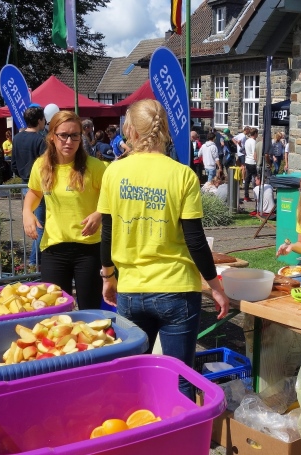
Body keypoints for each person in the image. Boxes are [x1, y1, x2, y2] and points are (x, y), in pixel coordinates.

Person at [98, 99, 229, 397]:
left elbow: (107, 232)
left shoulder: (113, 172)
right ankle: (182, 427)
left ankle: (138, 423)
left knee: (135, 376)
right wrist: (215, 287)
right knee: (180, 377)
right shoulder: (182, 174)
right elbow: (195, 239)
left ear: (131, 130)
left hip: (131, 288)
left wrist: (108, 276)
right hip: (177, 290)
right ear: (165, 130)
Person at [23, 111, 106, 311]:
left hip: (88, 249)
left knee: (90, 311)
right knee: (55, 311)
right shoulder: (41, 166)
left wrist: (99, 214)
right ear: (52, 136)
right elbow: (34, 193)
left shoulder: (95, 167)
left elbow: (112, 199)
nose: (69, 141)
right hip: (54, 248)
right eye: (63, 135)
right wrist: (27, 212)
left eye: (75, 135)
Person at [12, 106, 47, 265]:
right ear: (39, 120)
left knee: (31, 221)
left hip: (24, 183)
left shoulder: (17, 138)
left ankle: (35, 260)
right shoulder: (41, 140)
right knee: (39, 224)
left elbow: (13, 164)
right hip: (38, 186)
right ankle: (34, 262)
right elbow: (46, 165)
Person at [243, 128, 259, 202]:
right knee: (256, 178)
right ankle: (257, 196)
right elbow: (254, 153)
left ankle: (246, 196)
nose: (257, 135)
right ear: (255, 133)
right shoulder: (253, 142)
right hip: (252, 162)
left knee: (247, 179)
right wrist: (257, 162)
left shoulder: (247, 140)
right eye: (257, 133)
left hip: (247, 161)